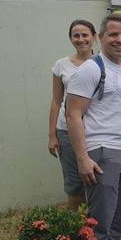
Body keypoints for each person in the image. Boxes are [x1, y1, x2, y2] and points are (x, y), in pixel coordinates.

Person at [65, 13, 121, 240]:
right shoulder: (91, 70)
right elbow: (73, 115)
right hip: (103, 154)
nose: (120, 39)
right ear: (100, 37)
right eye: (113, 34)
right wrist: (82, 158)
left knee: (117, 223)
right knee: (99, 226)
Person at [48, 20, 96, 211]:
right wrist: (52, 135)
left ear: (94, 37)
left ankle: (95, 229)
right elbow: (56, 101)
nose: (81, 39)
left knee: (96, 180)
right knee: (74, 184)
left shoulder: (104, 62)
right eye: (76, 35)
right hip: (66, 131)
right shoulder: (61, 65)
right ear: (70, 39)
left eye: (85, 35)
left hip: (94, 130)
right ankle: (76, 232)